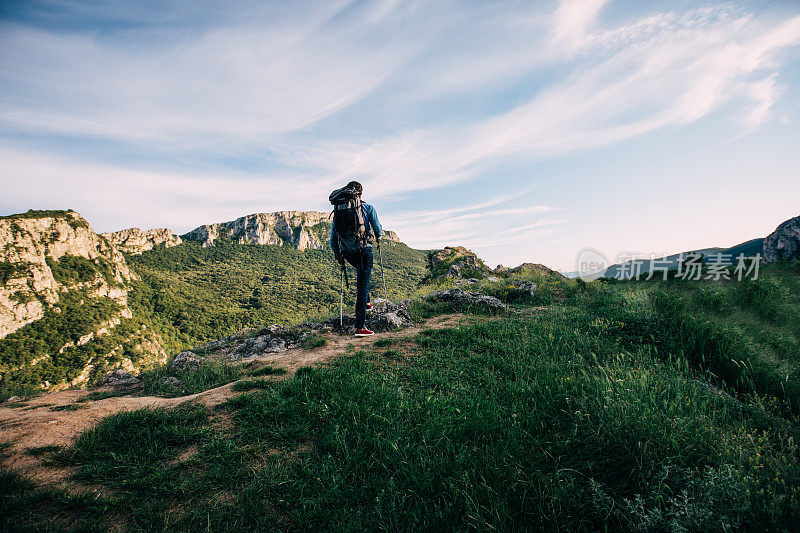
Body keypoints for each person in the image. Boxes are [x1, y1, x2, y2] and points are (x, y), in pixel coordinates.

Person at [330, 181, 382, 337]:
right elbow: (378, 229)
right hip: (364, 251)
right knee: (362, 285)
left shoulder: (339, 209)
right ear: (361, 193)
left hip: (347, 252)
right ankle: (360, 327)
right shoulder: (368, 208)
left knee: (361, 276)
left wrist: (338, 254)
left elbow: (333, 237)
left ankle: (367, 302)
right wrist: (378, 237)